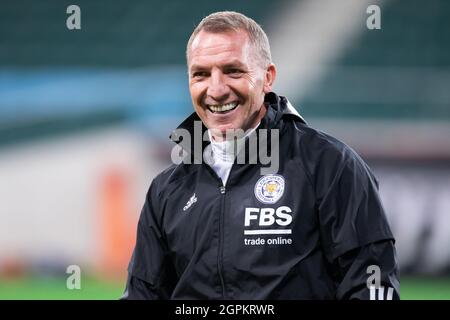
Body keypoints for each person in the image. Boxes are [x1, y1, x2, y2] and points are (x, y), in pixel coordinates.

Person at [121, 11, 399, 300]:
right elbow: (142, 294)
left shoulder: (330, 166)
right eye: (201, 74)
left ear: (267, 78)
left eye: (233, 71)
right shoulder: (167, 189)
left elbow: (372, 285)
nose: (216, 90)